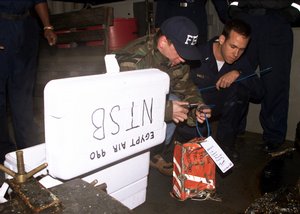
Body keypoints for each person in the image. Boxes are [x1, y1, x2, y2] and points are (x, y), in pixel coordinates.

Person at [114, 16, 211, 176]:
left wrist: (197, 105)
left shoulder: (177, 58)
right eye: (181, 52)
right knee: (172, 104)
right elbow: (126, 104)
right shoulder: (134, 60)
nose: (184, 59)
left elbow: (186, 87)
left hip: (151, 105)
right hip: (120, 118)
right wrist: (165, 110)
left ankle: (153, 152)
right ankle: (135, 156)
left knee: (177, 103)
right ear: (163, 42)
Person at [177, 18, 263, 162]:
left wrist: (238, 74)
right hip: (196, 110)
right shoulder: (197, 54)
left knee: (241, 91)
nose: (236, 54)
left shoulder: (240, 61)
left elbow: (259, 93)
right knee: (195, 152)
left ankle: (225, 146)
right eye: (233, 47)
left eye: (242, 49)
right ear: (222, 39)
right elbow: (179, 88)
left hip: (223, 106)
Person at [228, 0, 300, 152]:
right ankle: (232, 130)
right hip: (245, 18)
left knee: (275, 83)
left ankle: (273, 137)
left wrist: (291, 13)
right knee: (237, 78)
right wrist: (232, 9)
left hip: (277, 21)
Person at [0, 1, 57, 164]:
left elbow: (39, 0)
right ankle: (4, 156)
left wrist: (47, 27)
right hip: (2, 27)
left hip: (26, 30)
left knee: (23, 96)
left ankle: (28, 152)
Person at [154, 0, 228, 44]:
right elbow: (162, 3)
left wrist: (234, 24)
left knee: (196, 60)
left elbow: (223, 9)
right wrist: (159, 25)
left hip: (197, 21)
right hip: (174, 19)